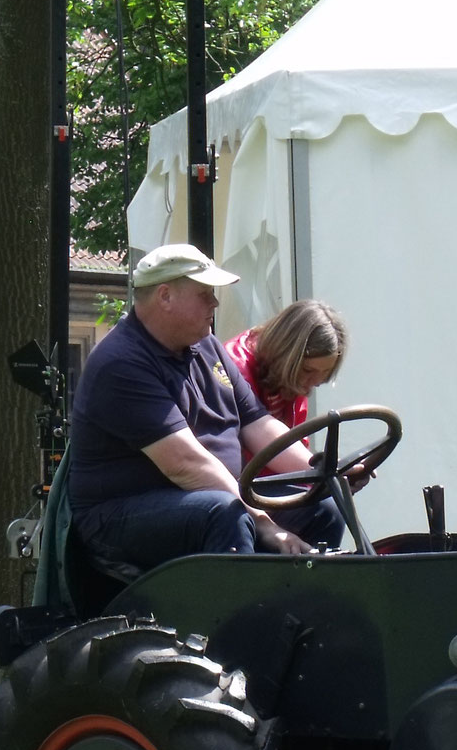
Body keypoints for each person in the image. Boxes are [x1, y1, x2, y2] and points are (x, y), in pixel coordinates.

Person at [64, 244, 334, 571]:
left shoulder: (206, 346)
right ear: (165, 296)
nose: (215, 303)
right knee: (225, 512)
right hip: (116, 518)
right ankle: (239, 619)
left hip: (201, 501)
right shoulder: (121, 363)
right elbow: (185, 464)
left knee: (322, 507)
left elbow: (258, 423)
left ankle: (299, 613)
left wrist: (322, 469)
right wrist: (264, 522)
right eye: (205, 294)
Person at [222, 299, 349, 431]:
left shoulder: (292, 379)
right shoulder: (234, 370)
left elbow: (296, 438)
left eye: (325, 372)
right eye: (308, 370)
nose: (316, 382)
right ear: (285, 354)